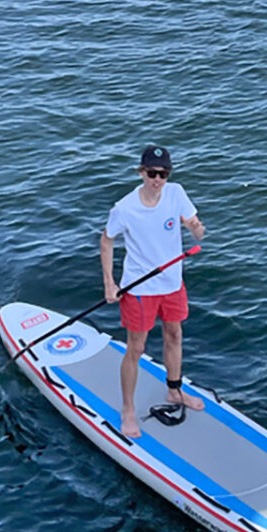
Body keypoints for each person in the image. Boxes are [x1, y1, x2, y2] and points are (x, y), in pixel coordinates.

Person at [100, 145, 206, 438]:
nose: (158, 180)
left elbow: (197, 230)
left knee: (174, 335)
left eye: (163, 174)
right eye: (152, 174)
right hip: (140, 288)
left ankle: (175, 391)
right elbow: (106, 241)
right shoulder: (124, 208)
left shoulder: (177, 193)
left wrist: (196, 229)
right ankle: (128, 410)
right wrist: (110, 283)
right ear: (141, 173)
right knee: (136, 348)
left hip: (172, 284)